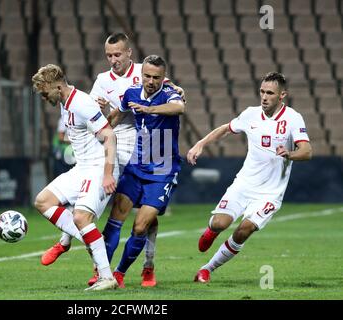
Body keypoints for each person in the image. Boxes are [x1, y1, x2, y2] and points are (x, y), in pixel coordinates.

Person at [41, 33, 184, 287]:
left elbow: (170, 91)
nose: (113, 60)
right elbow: (100, 113)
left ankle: (147, 264)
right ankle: (92, 261)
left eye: (118, 54)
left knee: (144, 215)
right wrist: (101, 109)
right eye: (109, 55)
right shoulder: (103, 80)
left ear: (129, 53)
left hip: (138, 144)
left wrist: (175, 91)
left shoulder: (145, 71)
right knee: (108, 206)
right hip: (112, 138)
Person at [186, 72, 312, 283]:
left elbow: (307, 151)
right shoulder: (250, 114)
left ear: (282, 95)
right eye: (262, 91)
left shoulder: (293, 118)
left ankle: (207, 269)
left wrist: (289, 154)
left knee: (244, 230)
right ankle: (211, 230)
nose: (264, 97)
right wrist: (200, 144)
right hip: (244, 184)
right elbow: (226, 129)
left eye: (270, 93)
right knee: (220, 223)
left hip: (271, 192)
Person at [32, 64, 119, 291]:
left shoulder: (80, 103)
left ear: (57, 86)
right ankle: (86, 241)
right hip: (82, 167)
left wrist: (108, 174)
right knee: (43, 201)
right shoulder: (65, 102)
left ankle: (107, 277)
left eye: (44, 92)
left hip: (99, 167)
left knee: (81, 218)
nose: (43, 96)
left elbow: (110, 136)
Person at [106, 54, 185, 288]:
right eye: (147, 76)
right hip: (136, 164)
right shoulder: (131, 93)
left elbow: (179, 108)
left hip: (162, 168)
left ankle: (122, 272)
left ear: (164, 77)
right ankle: (102, 272)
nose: (151, 81)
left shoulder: (170, 94)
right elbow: (117, 115)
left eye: (156, 77)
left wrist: (150, 110)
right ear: (141, 75)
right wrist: (98, 130)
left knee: (141, 225)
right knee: (115, 218)